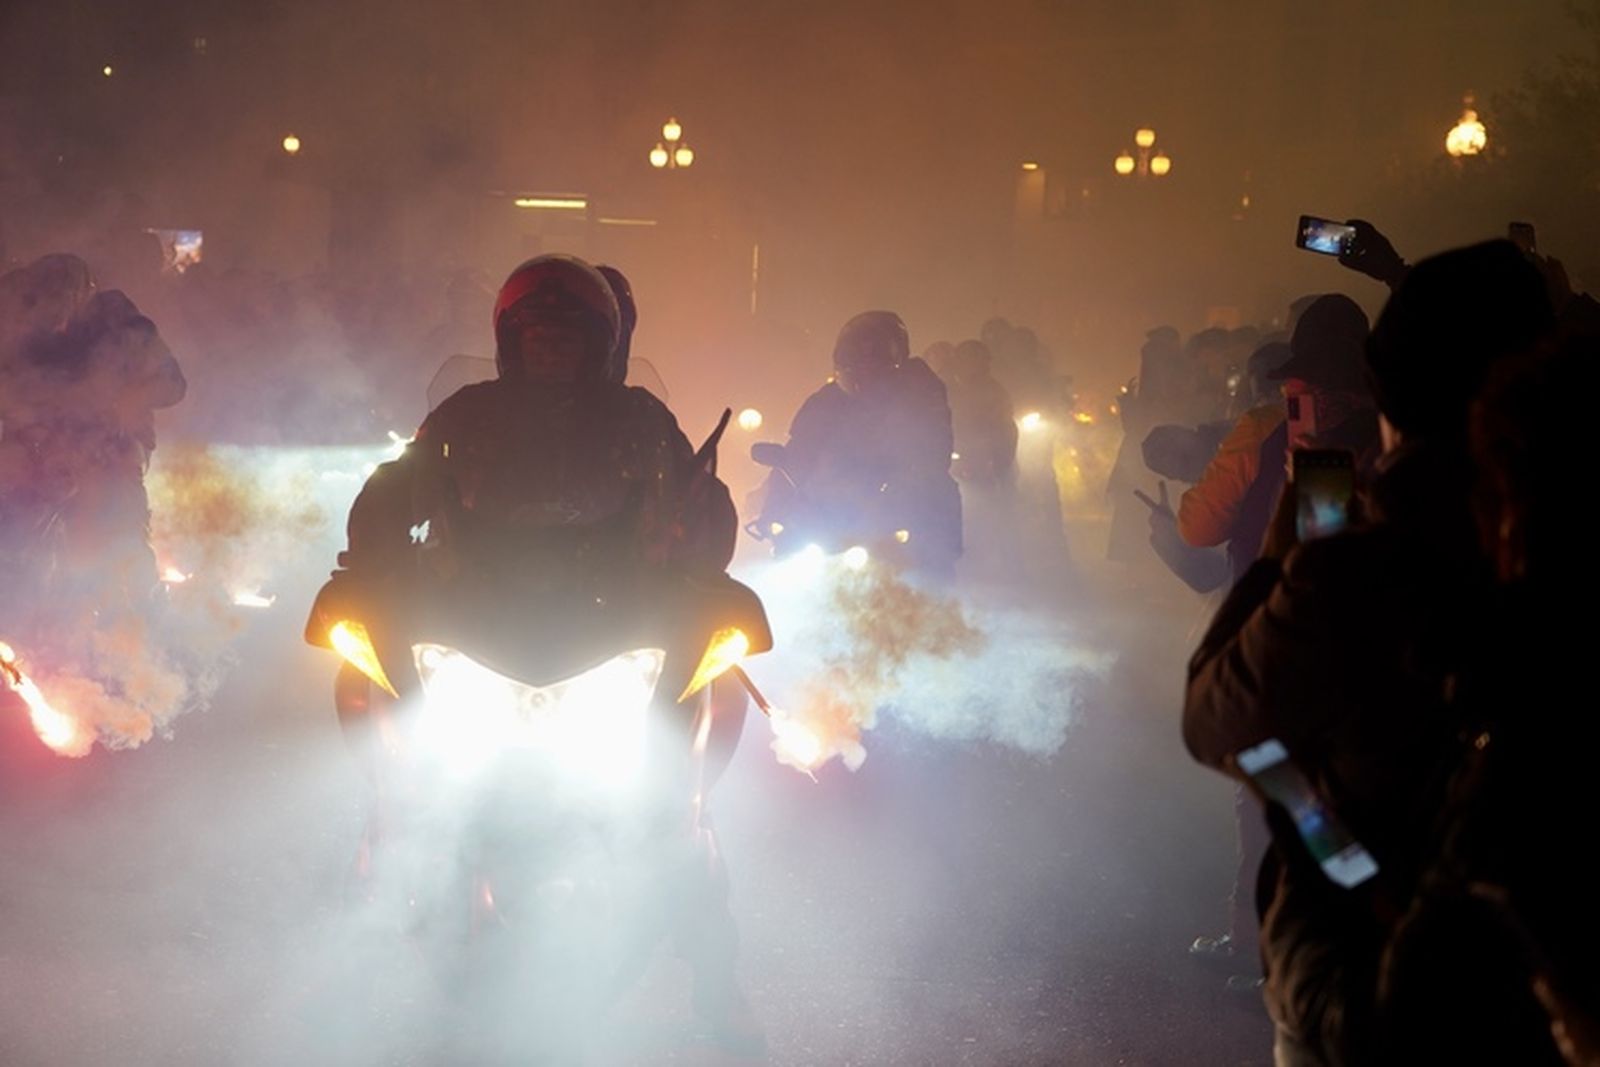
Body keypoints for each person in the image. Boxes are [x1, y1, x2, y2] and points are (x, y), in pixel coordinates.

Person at [1182, 241, 1554, 1065]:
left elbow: (1221, 720)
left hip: (1365, 989)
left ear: (1385, 389)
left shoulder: (1360, 562)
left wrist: (1335, 853)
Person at [1, 262, 184, 635]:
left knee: (120, 545)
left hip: (111, 457)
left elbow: (172, 386)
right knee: (29, 552)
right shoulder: (27, 331)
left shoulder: (120, 324)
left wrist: (119, 400)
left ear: (82, 294)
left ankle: (141, 631)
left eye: (59, 299)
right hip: (43, 462)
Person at [765, 310, 961, 570]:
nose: (864, 370)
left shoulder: (921, 395)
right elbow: (798, 451)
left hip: (896, 509)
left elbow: (933, 452)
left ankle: (938, 589)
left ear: (897, 358)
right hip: (831, 511)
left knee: (930, 557)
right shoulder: (825, 401)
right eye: (856, 360)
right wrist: (775, 507)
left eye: (874, 361)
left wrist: (903, 481)